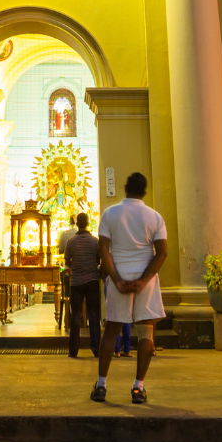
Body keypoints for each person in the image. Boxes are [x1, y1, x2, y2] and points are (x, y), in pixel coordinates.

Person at [91, 172, 167, 405]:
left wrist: (116, 279)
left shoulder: (110, 213)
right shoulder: (154, 216)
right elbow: (161, 252)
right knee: (146, 332)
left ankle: (102, 385)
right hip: (146, 279)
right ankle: (138, 387)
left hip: (119, 275)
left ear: (125, 188)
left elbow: (104, 249)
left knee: (111, 331)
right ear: (145, 191)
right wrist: (144, 280)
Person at [63, 212, 103, 359]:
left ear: (76, 223)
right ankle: (96, 348)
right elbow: (98, 259)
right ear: (87, 223)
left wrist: (77, 266)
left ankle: (73, 350)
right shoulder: (95, 241)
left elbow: (67, 261)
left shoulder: (71, 242)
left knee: (75, 316)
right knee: (94, 315)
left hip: (76, 282)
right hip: (92, 280)